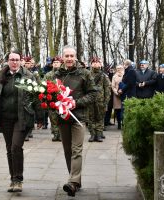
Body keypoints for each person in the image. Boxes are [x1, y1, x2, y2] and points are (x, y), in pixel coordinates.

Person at [0, 49, 41, 193]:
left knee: (16, 147)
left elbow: (37, 96)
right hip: (5, 119)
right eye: (12, 59)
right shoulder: (0, 77)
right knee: (9, 148)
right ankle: (13, 179)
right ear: (8, 61)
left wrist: (40, 117)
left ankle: (18, 180)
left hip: (22, 118)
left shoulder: (27, 76)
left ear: (21, 61)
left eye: (17, 60)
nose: (14, 62)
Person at [54, 45, 97, 197]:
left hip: (78, 118)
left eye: (72, 56)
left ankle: (72, 182)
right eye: (67, 56)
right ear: (62, 57)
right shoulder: (56, 75)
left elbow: (93, 93)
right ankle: (75, 180)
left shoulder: (84, 73)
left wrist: (75, 103)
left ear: (76, 57)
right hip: (62, 118)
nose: (69, 59)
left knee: (77, 150)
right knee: (67, 151)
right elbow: (50, 94)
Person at [87, 57, 111, 142]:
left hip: (100, 100)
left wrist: (106, 101)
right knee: (91, 118)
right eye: (94, 62)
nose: (96, 64)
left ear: (100, 64)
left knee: (100, 118)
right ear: (91, 64)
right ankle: (92, 135)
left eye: (97, 62)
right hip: (90, 100)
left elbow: (107, 89)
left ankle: (99, 134)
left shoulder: (103, 76)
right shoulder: (88, 74)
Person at [44, 56, 62, 141]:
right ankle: (55, 134)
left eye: (57, 62)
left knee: (61, 118)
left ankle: (61, 134)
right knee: (53, 118)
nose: (56, 64)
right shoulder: (48, 75)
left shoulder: (63, 74)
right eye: (54, 63)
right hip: (51, 99)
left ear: (61, 63)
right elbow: (44, 85)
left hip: (61, 99)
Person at [111, 65, 124, 129]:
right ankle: (119, 123)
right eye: (118, 68)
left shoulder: (125, 75)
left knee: (124, 109)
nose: (119, 69)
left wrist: (123, 92)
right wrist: (117, 92)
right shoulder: (114, 77)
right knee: (118, 110)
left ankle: (124, 123)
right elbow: (113, 86)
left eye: (120, 68)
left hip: (124, 94)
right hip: (117, 96)